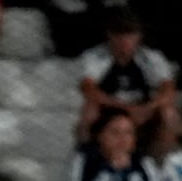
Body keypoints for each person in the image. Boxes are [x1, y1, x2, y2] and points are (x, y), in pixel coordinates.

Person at [76, 9, 178, 158]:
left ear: (139, 36)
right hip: (110, 109)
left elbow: (168, 89)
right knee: (89, 111)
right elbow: (88, 89)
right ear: (109, 35)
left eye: (130, 35)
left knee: (169, 114)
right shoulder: (95, 56)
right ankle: (85, 159)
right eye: (119, 35)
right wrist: (126, 108)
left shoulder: (151, 58)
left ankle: (160, 162)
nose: (124, 41)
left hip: (143, 109)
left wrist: (149, 107)